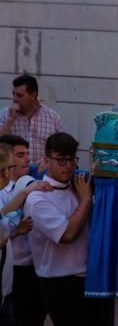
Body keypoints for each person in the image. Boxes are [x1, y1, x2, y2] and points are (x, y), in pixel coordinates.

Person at [24, 132, 114, 326]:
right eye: (61, 160)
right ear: (47, 160)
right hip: (60, 283)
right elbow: (67, 235)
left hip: (91, 277)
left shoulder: (78, 186)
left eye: (72, 160)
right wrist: (86, 200)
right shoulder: (37, 198)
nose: (68, 166)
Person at [0, 135, 48, 325]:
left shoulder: (32, 182)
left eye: (27, 154)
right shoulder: (4, 192)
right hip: (13, 269)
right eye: (20, 155)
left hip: (34, 268)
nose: (27, 159)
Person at [0, 75, 64, 166]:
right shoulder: (5, 115)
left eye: (19, 95)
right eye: (13, 94)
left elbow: (62, 149)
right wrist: (10, 120)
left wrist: (48, 163)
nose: (14, 99)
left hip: (41, 174)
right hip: (14, 176)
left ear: (33, 95)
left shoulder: (53, 118)